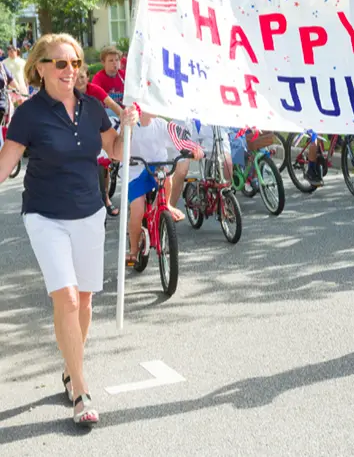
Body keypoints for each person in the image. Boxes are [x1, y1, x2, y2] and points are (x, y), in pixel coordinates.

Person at [0, 33, 136, 426]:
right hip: (45, 216)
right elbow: (6, 163)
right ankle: (80, 388)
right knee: (68, 300)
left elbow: (114, 150)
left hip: (89, 213)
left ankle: (68, 367)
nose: (70, 70)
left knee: (86, 302)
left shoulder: (93, 108)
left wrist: (125, 126)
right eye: (60, 63)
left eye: (75, 63)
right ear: (40, 68)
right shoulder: (29, 114)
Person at [126, 110, 204, 266]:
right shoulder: (130, 126)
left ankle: (166, 205)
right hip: (135, 170)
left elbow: (180, 136)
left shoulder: (161, 124)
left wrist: (195, 149)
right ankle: (133, 250)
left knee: (167, 178)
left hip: (157, 166)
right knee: (137, 210)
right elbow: (118, 144)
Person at [74, 66, 124, 215]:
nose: (80, 81)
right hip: (77, 132)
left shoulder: (94, 90)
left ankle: (105, 198)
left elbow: (112, 105)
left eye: (82, 77)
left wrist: (125, 117)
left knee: (102, 164)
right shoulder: (68, 93)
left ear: (87, 77)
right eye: (76, 78)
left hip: (97, 129)